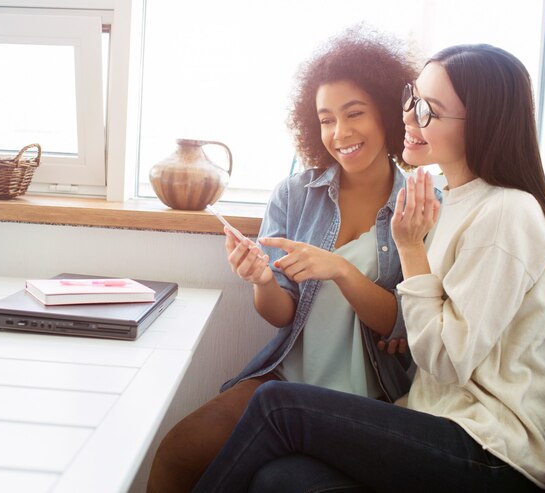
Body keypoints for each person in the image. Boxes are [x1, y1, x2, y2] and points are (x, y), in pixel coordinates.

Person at [191, 44, 545, 493]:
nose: (409, 118)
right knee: (277, 480)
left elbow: (446, 359)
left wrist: (409, 251)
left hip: (495, 449)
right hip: (437, 418)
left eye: (430, 111)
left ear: (483, 123)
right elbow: (431, 328)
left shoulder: (507, 215)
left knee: (277, 407)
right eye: (413, 100)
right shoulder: (450, 201)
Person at [146, 26, 418, 493]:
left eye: (355, 114)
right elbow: (281, 314)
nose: (340, 133)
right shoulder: (295, 195)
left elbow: (401, 326)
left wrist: (340, 269)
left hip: (370, 398)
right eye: (326, 119)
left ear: (389, 115)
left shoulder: (418, 205)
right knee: (178, 450)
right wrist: (261, 281)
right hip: (288, 377)